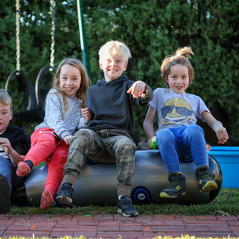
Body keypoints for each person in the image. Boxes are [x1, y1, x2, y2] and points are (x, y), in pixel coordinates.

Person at [55, 40, 153, 217]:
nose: (113, 64)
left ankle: (124, 198)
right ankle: (67, 187)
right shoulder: (92, 91)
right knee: (82, 134)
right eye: (108, 60)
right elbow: (91, 119)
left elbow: (144, 98)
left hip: (117, 139)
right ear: (101, 64)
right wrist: (88, 116)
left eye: (118, 61)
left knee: (126, 144)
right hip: (96, 140)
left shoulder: (128, 86)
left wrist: (144, 87)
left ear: (125, 65)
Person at [143, 47, 229, 199]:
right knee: (162, 133)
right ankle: (176, 181)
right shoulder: (159, 94)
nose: (179, 81)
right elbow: (148, 122)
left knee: (194, 129)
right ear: (166, 79)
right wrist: (151, 138)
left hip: (187, 143)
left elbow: (211, 120)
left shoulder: (195, 100)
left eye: (184, 77)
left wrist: (219, 128)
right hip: (168, 142)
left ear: (189, 78)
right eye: (174, 77)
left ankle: (204, 175)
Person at [16, 58, 90, 210]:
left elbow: (80, 126)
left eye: (74, 79)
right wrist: (65, 134)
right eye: (65, 78)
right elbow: (55, 120)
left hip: (64, 141)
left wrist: (85, 119)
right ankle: (27, 163)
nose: (69, 82)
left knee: (60, 157)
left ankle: (48, 193)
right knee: (48, 142)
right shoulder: (54, 94)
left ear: (81, 81)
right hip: (47, 132)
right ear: (58, 78)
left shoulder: (83, 100)